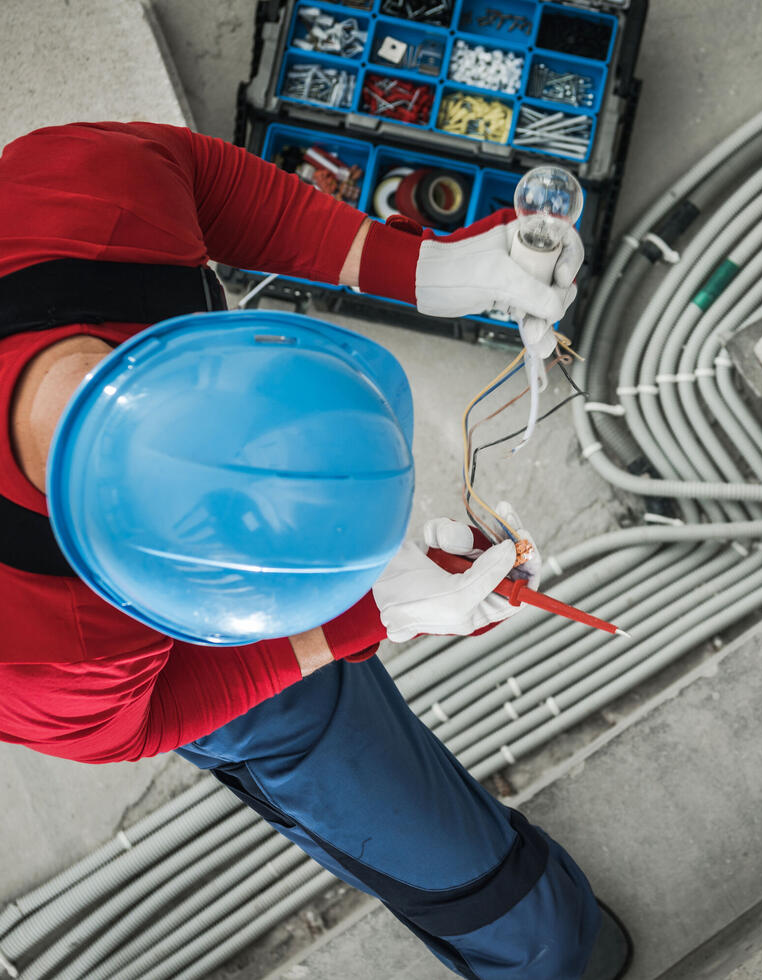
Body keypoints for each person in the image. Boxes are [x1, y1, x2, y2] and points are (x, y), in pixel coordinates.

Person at [0, 121, 631, 980]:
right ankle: (546, 952)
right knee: (345, 770)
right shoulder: (46, 652)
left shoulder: (88, 195)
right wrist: (355, 622)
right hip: (145, 658)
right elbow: (139, 723)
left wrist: (428, 269)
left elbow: (207, 185)